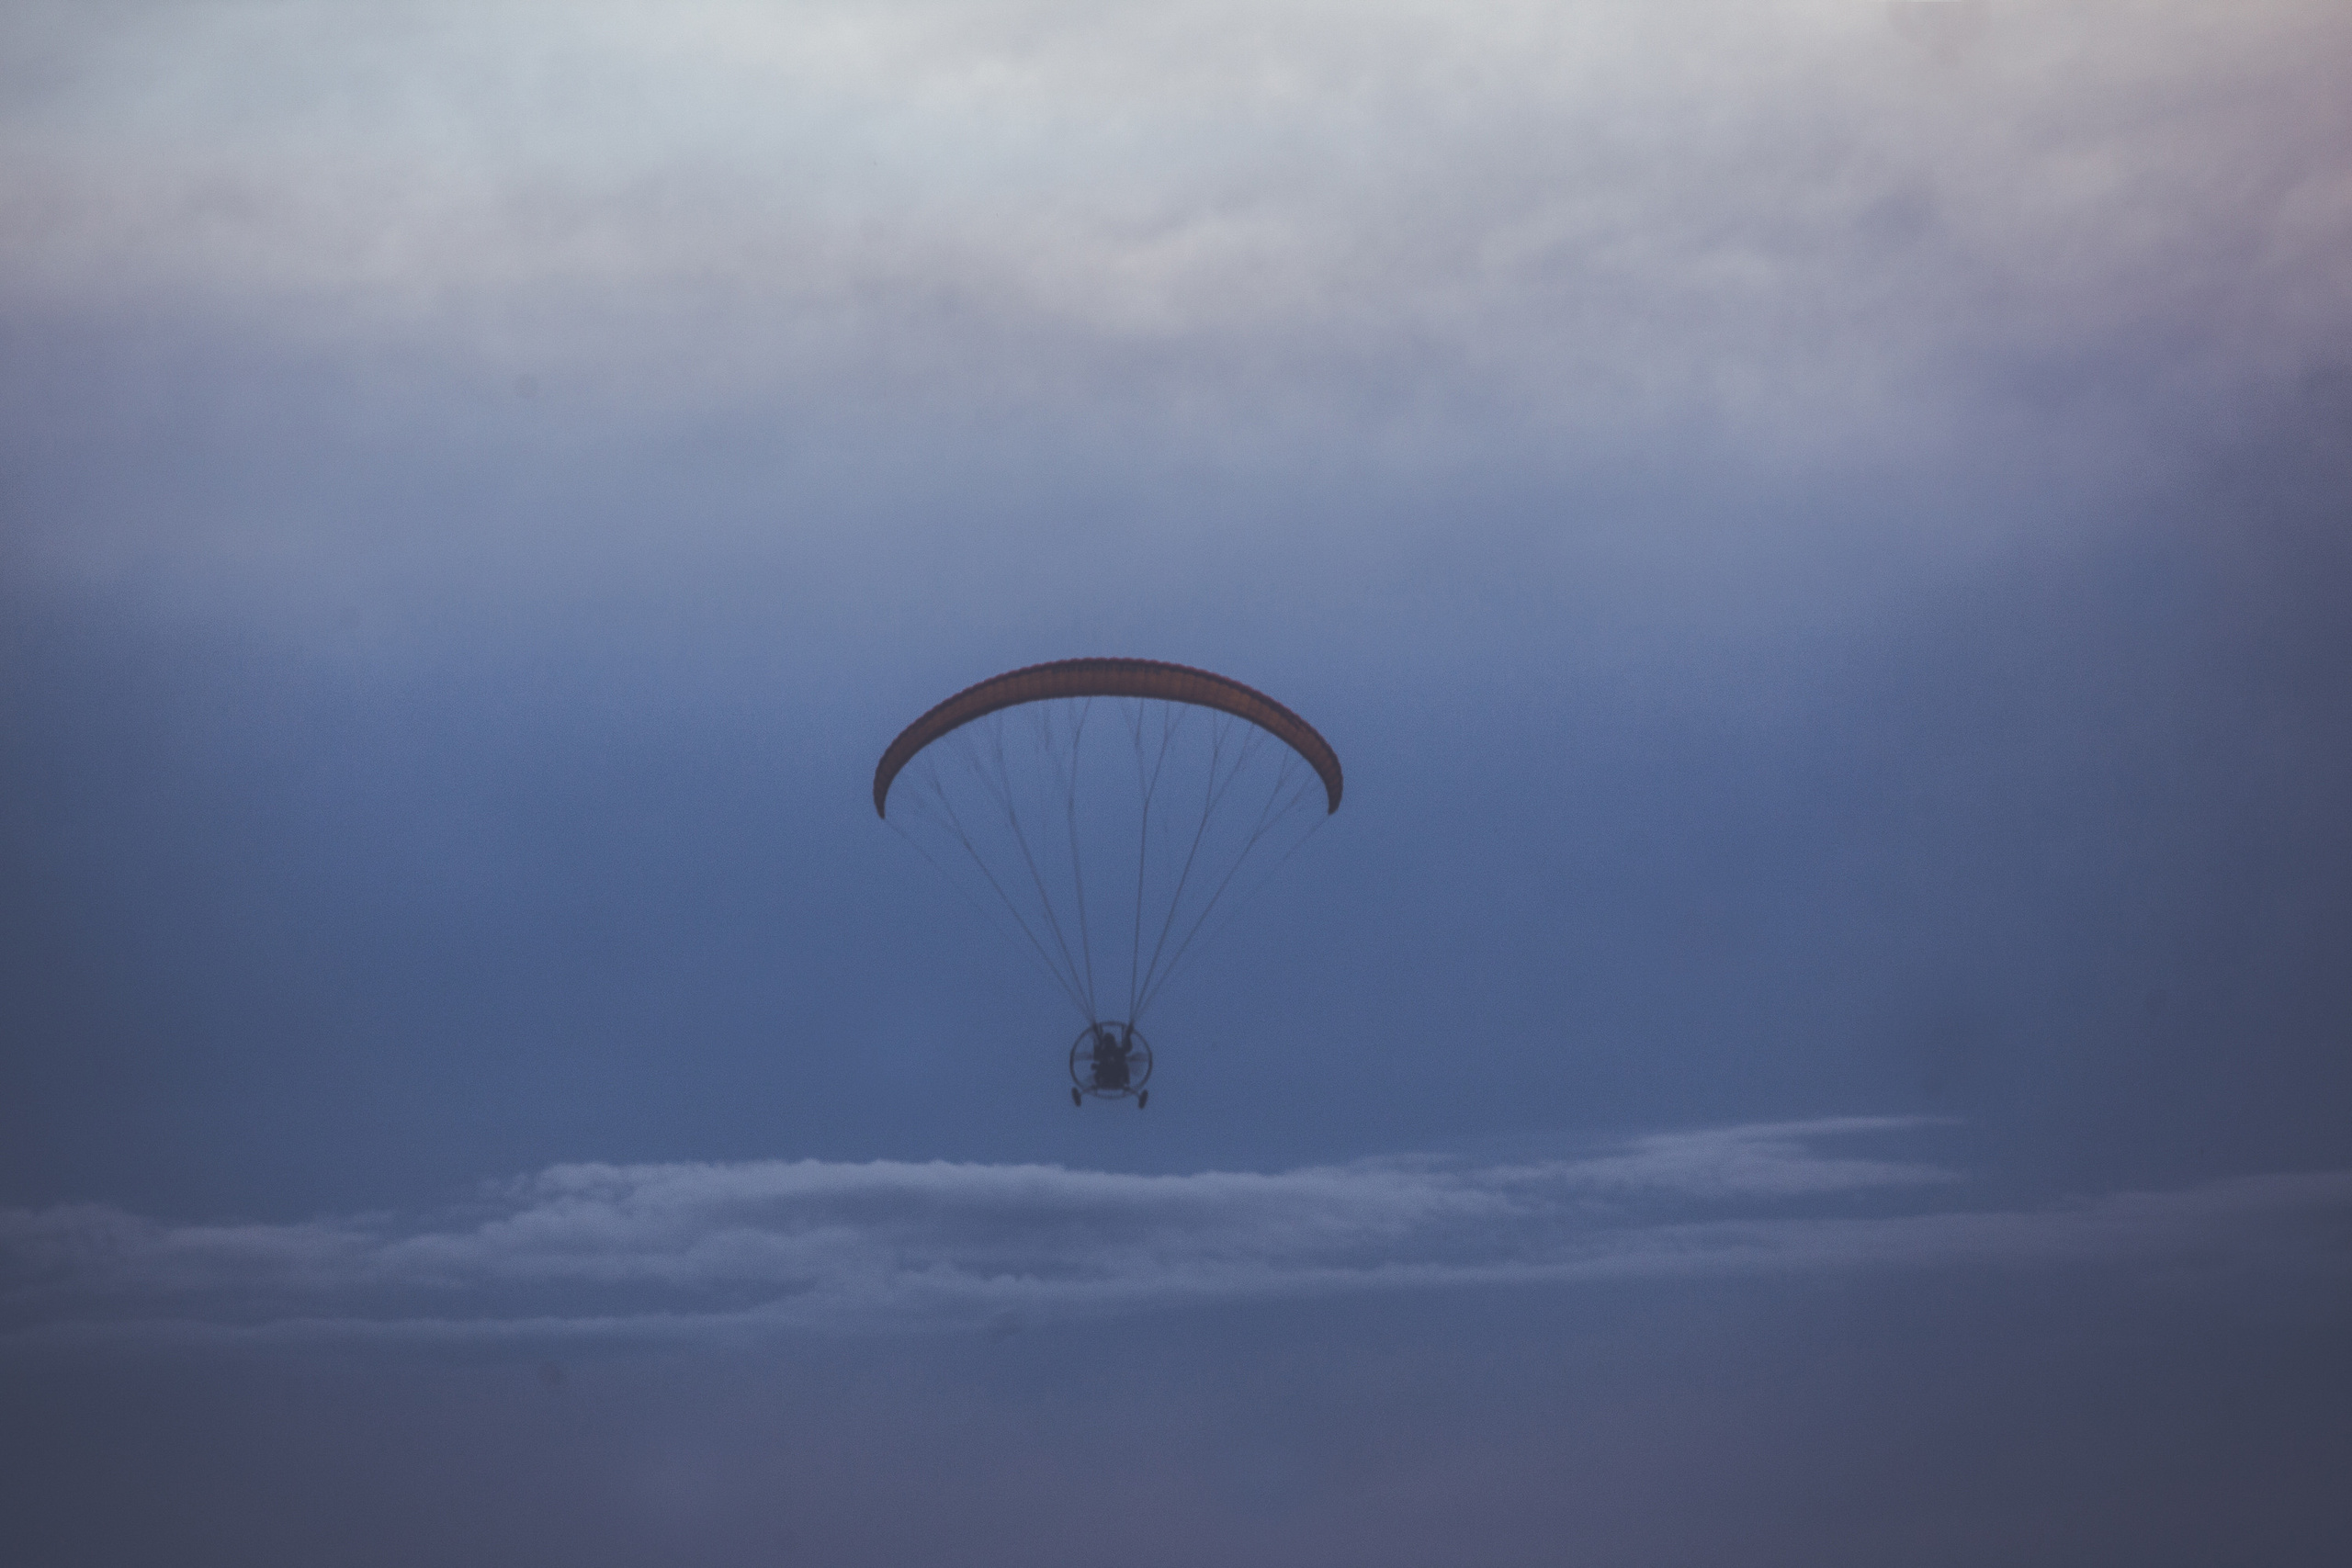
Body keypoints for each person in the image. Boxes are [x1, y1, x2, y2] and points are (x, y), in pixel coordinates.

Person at [1091, 1024, 1131, 1092]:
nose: (1109, 1044)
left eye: (1110, 1041)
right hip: (1109, 1077)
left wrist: (1128, 1035)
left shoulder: (1116, 1051)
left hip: (1114, 1077)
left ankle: (1124, 1082)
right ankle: (1125, 1082)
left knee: (1124, 1066)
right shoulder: (1117, 1051)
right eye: (1108, 1042)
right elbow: (1128, 1048)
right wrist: (1128, 1035)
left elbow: (1127, 1048)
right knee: (1124, 1066)